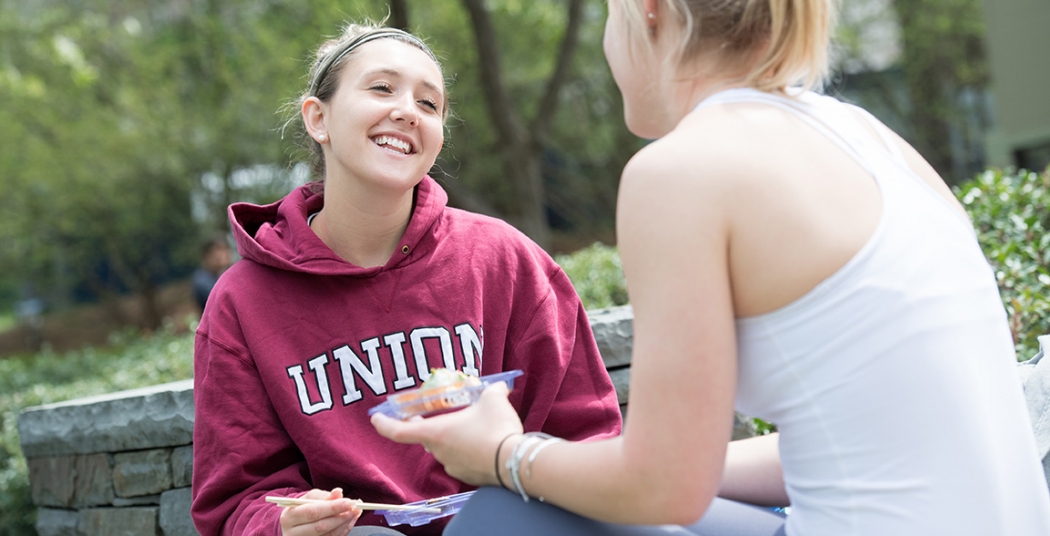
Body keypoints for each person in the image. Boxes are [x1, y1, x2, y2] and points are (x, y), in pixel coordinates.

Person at [371, 1, 1050, 535]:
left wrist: (500, 456)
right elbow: (857, 444)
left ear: (649, 9)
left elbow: (665, 486)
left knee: (505, 517)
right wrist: (573, 459)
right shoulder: (867, 136)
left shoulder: (680, 171)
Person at [190, 22, 623, 536]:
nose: (406, 111)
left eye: (429, 104)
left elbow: (588, 436)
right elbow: (237, 500)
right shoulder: (241, 302)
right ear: (318, 118)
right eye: (381, 88)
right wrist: (285, 524)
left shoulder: (504, 258)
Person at [192, 235, 233, 312]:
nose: (225, 254)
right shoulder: (202, 280)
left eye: (226, 249)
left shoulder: (225, 274)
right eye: (219, 249)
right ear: (207, 255)